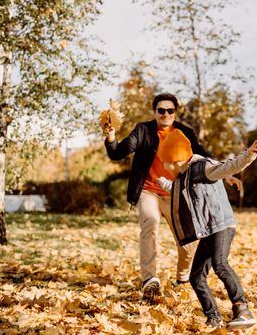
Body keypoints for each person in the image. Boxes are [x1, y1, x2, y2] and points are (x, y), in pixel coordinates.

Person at [101, 93, 237, 301]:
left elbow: (205, 156)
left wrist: (226, 173)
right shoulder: (143, 130)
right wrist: (110, 136)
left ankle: (182, 278)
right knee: (150, 222)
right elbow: (119, 152)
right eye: (161, 110)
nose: (165, 114)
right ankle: (149, 279)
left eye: (170, 110)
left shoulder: (185, 132)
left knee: (189, 243)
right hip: (149, 191)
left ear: (175, 112)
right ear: (155, 112)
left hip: (178, 194)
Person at [156, 129, 257, 330]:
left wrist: (249, 154)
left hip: (222, 225)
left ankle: (242, 309)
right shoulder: (184, 177)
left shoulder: (203, 167)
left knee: (220, 264)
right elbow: (179, 193)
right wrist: (163, 183)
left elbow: (229, 167)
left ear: (175, 160)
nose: (167, 170)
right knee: (196, 277)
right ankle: (214, 317)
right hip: (208, 230)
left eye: (166, 167)